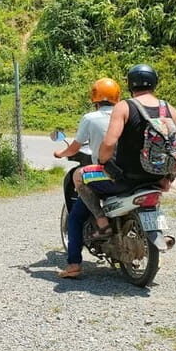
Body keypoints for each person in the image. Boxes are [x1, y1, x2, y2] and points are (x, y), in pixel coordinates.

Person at [73, 64, 176, 241]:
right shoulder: (169, 109)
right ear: (155, 83)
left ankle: (102, 223)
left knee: (78, 175)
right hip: (155, 179)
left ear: (130, 85)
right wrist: (169, 178)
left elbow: (109, 143)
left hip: (125, 179)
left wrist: (105, 164)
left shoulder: (124, 107)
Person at [54, 78, 121, 279]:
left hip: (104, 174)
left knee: (75, 217)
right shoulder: (126, 115)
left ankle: (74, 264)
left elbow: (76, 147)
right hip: (130, 175)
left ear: (95, 99)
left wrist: (61, 153)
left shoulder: (91, 118)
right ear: (117, 98)